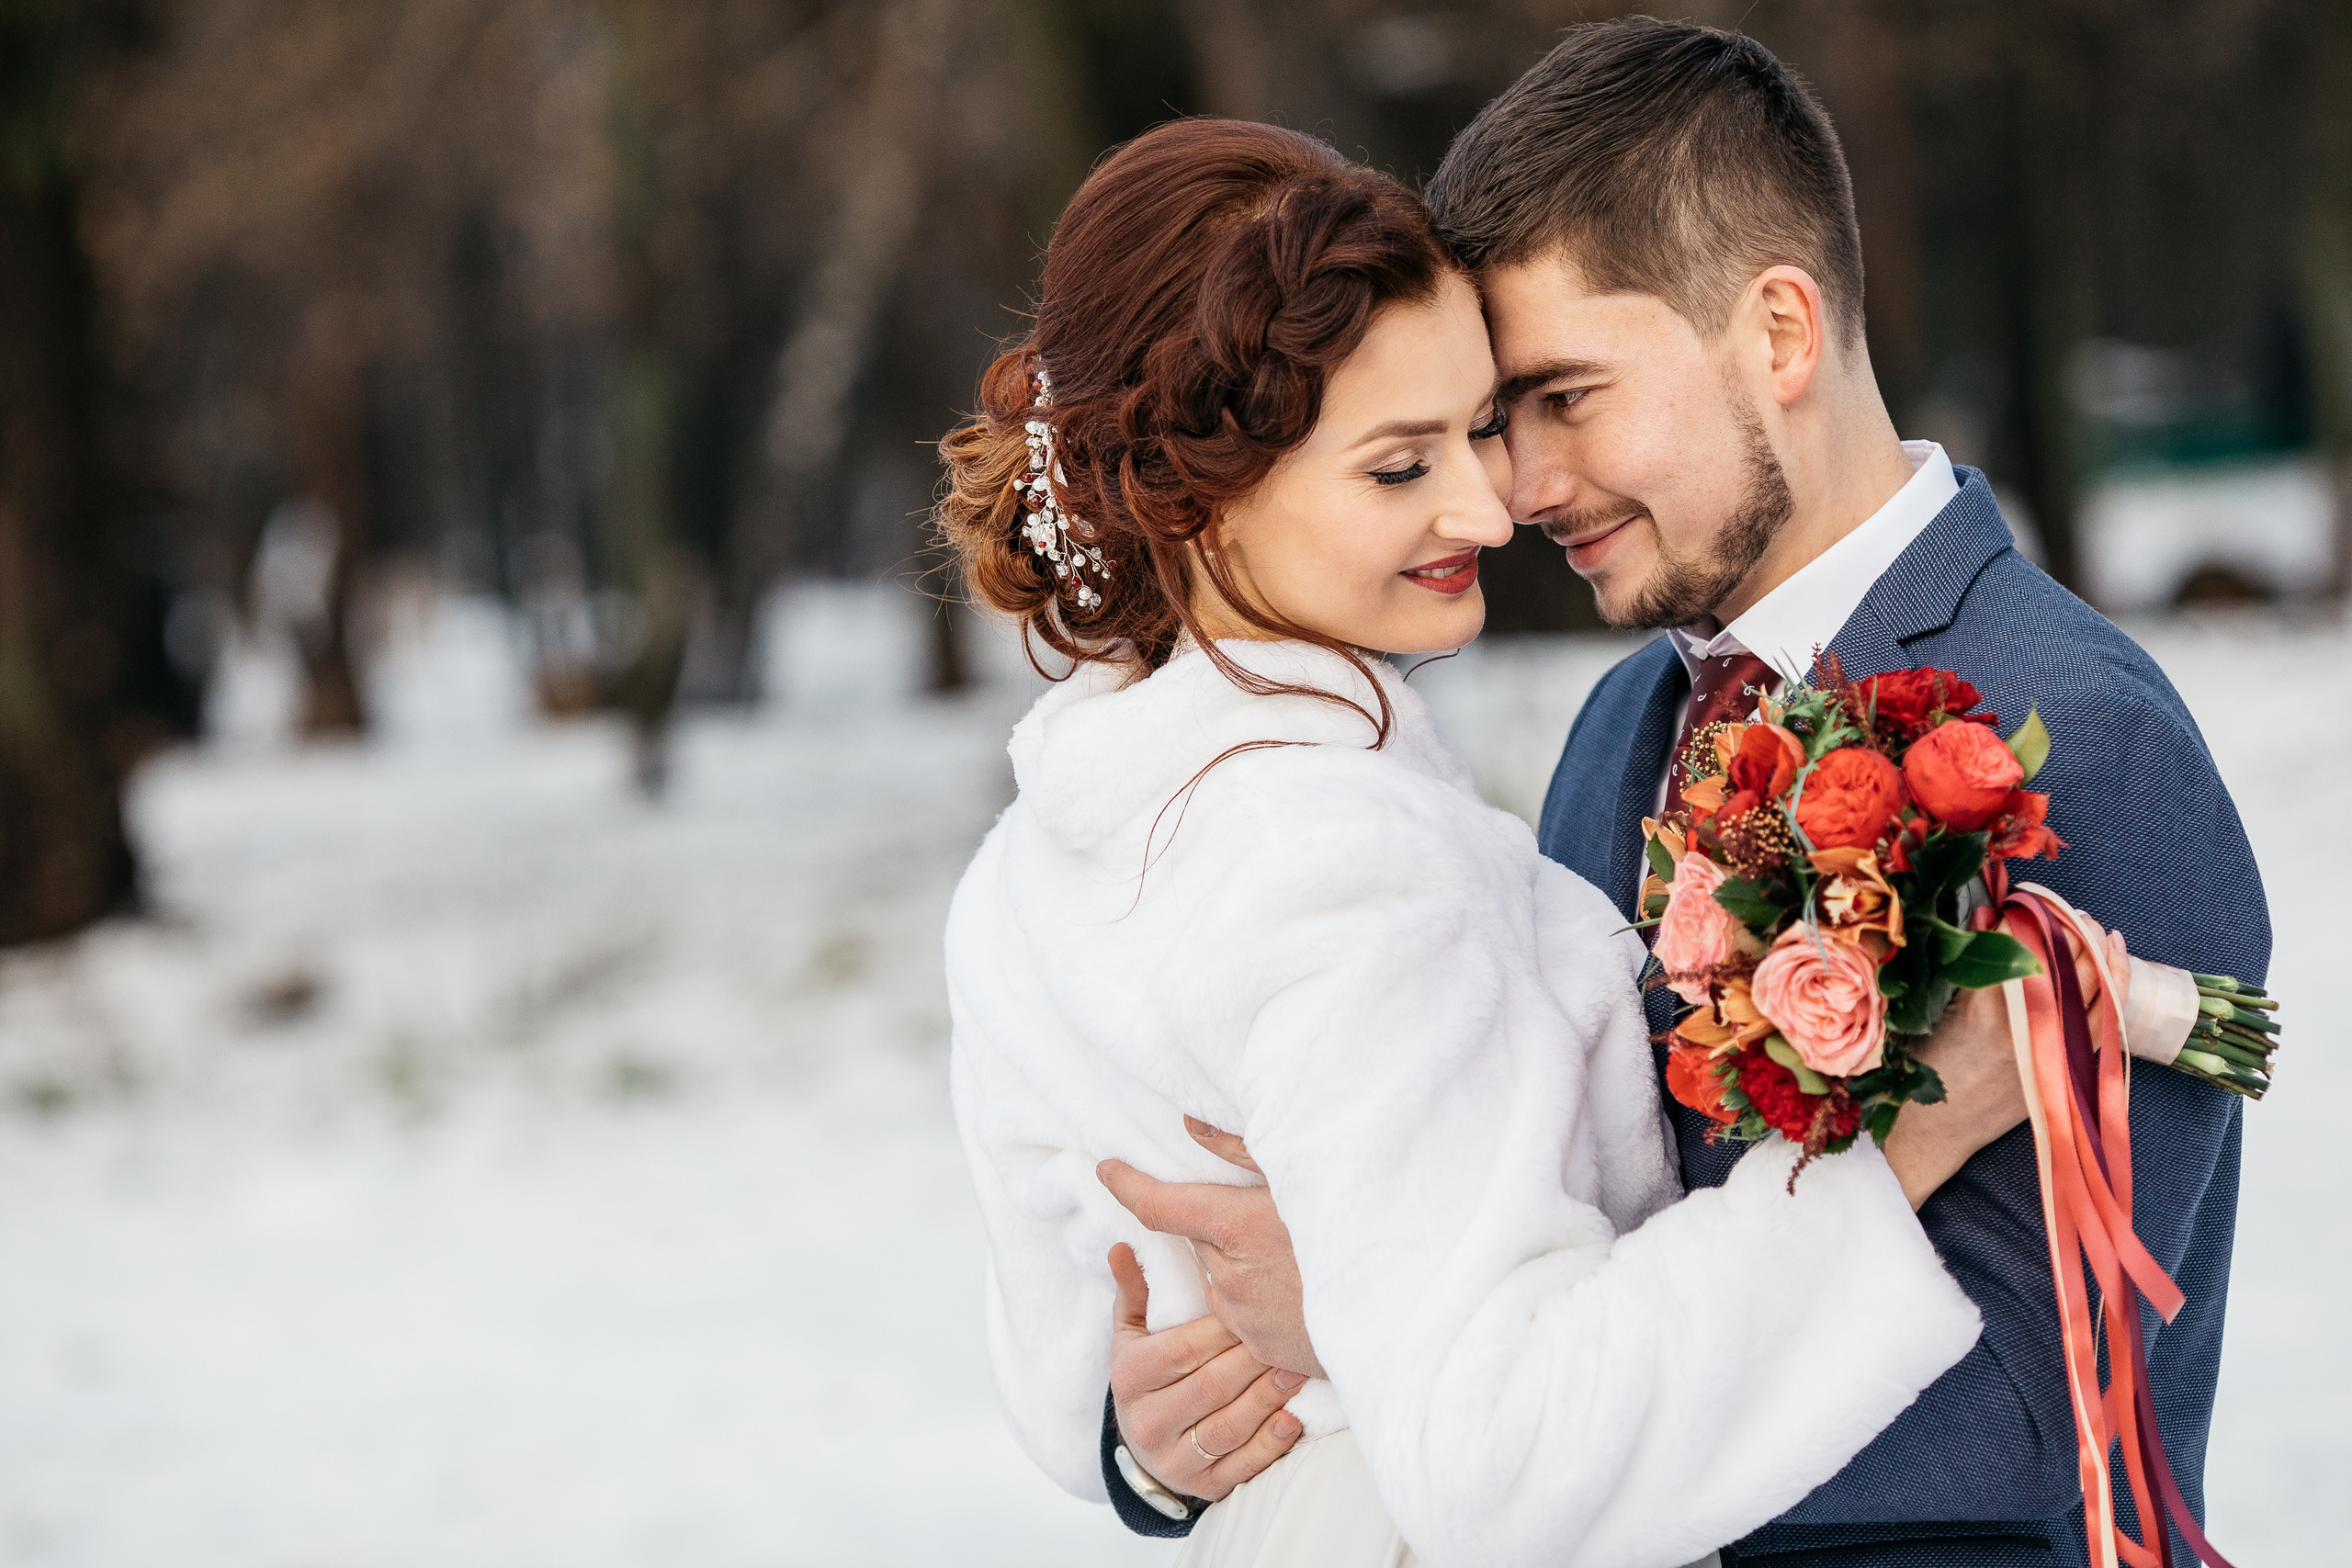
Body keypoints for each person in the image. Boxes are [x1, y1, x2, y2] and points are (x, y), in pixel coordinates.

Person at [1096, 21, 2268, 1568]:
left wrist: (1427, 1368)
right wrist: (1171, 1437)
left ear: (1778, 332)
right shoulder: (1622, 725)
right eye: (1495, 420)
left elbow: (2024, 1404)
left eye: (1564, 397)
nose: (1516, 487)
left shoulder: (2071, 738)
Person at [940, 113, 2056, 1568]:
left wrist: (1155, 1434)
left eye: (1478, 427)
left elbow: (1068, 1368)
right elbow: (1508, 1453)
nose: (1493, 501)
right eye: (1398, 467)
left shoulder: (1033, 863)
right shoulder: (1344, 868)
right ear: (1199, 501)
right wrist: (1891, 1166)